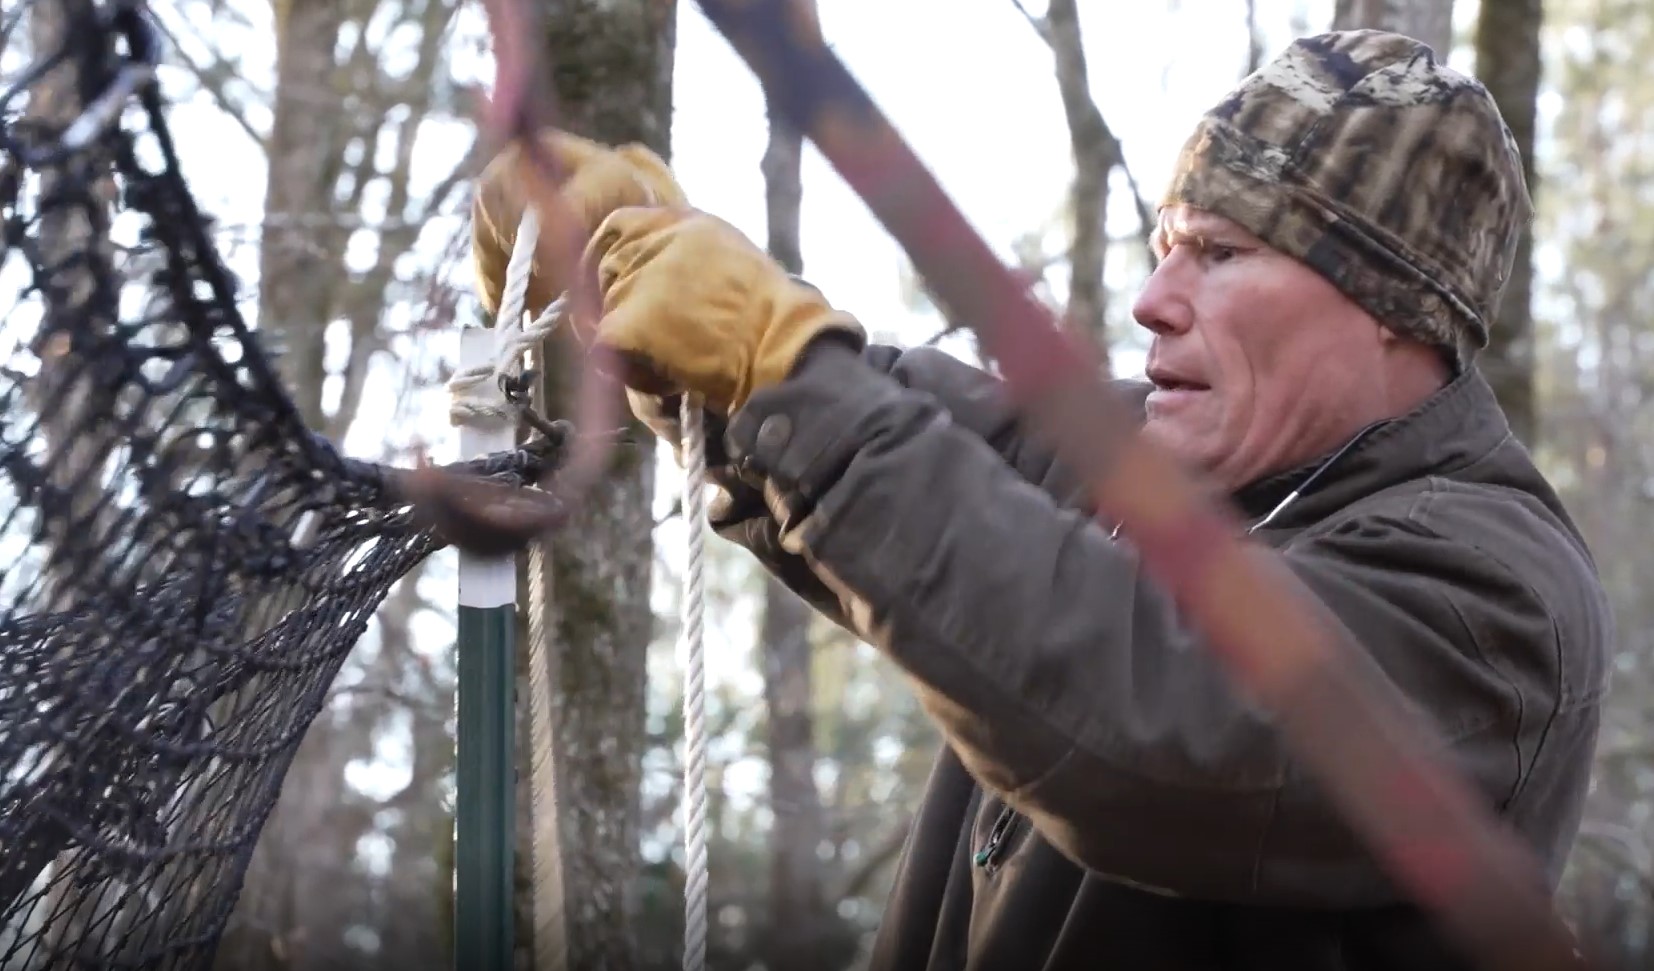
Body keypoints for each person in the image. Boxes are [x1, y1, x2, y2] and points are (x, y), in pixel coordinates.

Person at [471, 29, 1610, 971]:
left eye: (1218, 255)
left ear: (1392, 308)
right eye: (1166, 247)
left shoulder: (1490, 593)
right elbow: (904, 444)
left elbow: (1157, 712)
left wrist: (782, 370)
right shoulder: (1161, 459)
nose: (1155, 300)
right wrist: (652, 307)